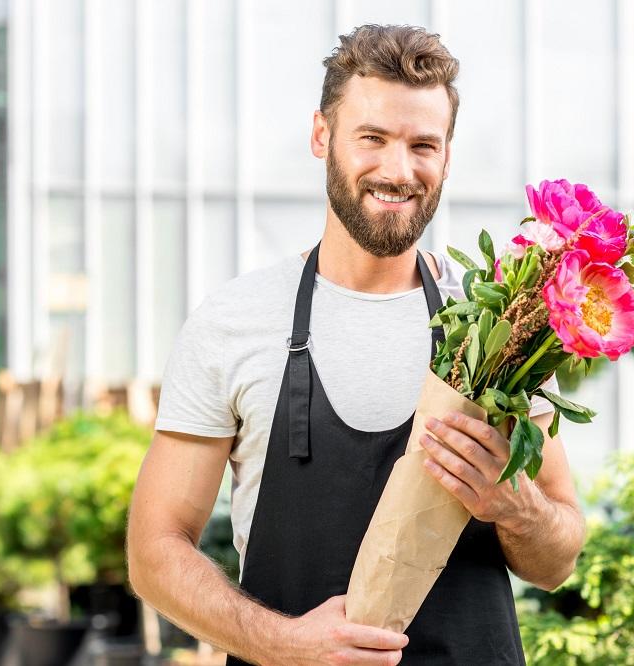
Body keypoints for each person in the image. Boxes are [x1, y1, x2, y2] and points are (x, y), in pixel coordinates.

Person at [127, 24, 586, 666]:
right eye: (373, 138)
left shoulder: (505, 327)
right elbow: (155, 551)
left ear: (447, 157)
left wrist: (517, 507)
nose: (397, 170)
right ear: (323, 135)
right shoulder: (235, 321)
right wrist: (281, 643)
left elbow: (558, 559)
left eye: (423, 144)